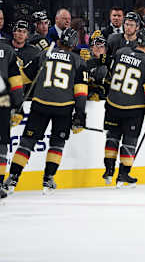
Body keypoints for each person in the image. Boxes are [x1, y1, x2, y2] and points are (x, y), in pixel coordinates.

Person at [3, 28, 88, 195]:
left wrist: (15, 99)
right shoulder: (78, 61)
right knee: (57, 144)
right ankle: (48, 179)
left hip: (40, 105)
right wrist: (80, 115)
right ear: (74, 44)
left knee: (27, 142)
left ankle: (12, 177)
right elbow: (81, 92)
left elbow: (23, 78)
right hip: (64, 108)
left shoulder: (44, 54)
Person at [103, 28, 145, 187]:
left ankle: (108, 171)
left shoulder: (121, 52)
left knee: (112, 136)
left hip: (112, 103)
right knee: (129, 140)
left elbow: (109, 74)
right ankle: (123, 175)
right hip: (133, 107)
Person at [0, 41, 24, 199]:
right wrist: (18, 105)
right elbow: (16, 82)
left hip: (2, 102)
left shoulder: (7, 49)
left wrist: (18, 105)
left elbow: (16, 81)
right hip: (2, 101)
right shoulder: (6, 49)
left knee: (2, 144)